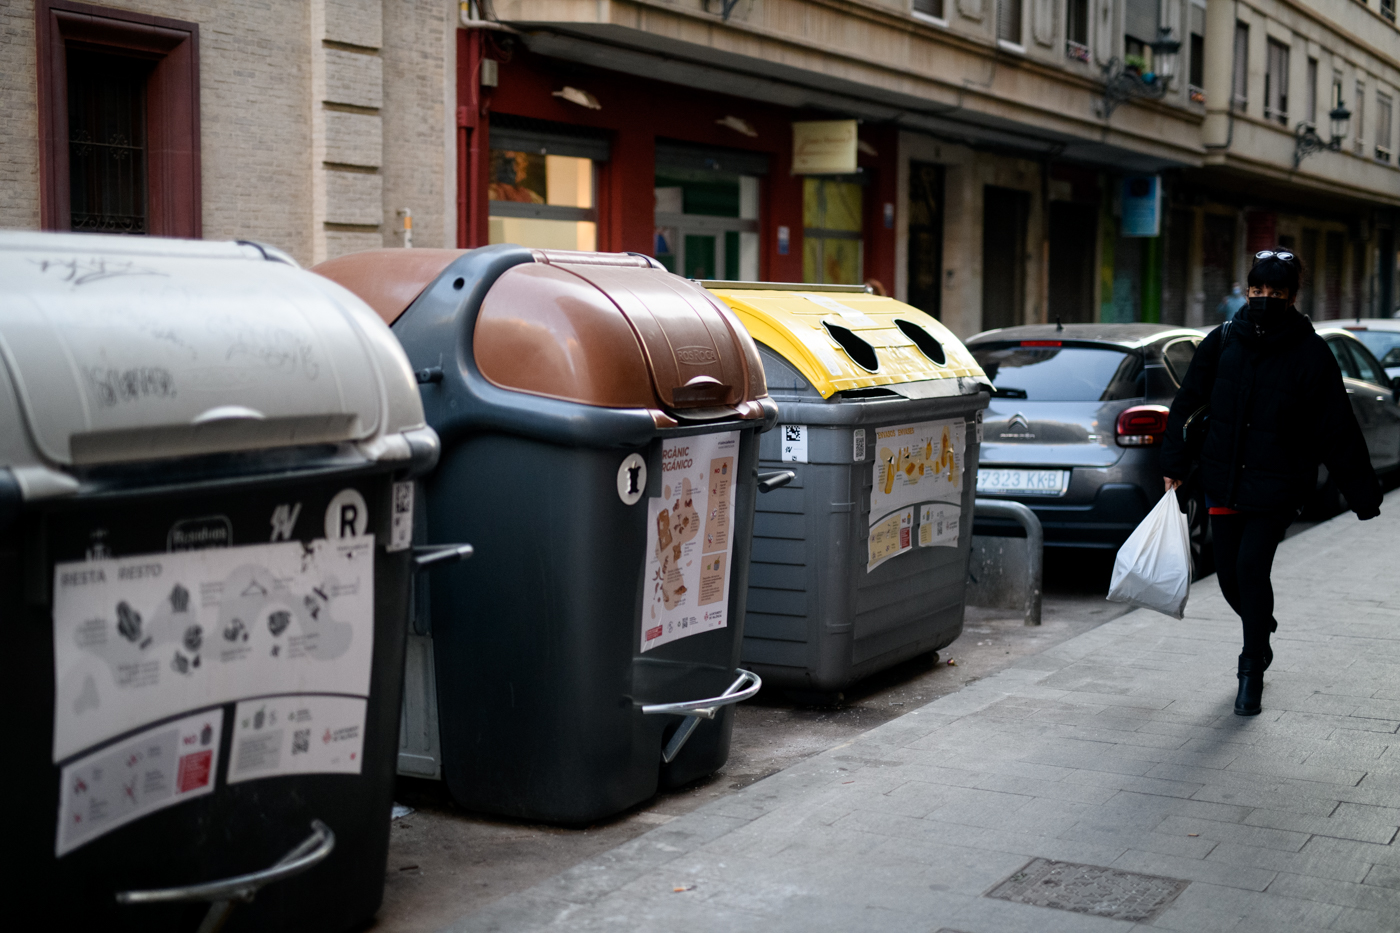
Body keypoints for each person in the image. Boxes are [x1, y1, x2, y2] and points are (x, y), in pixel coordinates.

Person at [1161, 249, 1381, 716]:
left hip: (1279, 485)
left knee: (1250, 569)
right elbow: (1188, 402)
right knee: (1227, 577)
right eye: (1256, 289)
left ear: (1292, 297)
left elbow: (1336, 427)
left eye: (1275, 292)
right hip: (1223, 478)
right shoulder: (1222, 340)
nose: (1263, 298)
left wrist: (1362, 494)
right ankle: (1260, 628)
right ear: (1247, 291)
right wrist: (1174, 463)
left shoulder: (1311, 352)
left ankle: (1250, 669)